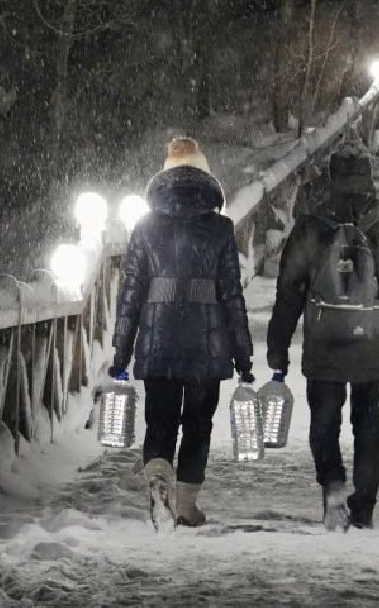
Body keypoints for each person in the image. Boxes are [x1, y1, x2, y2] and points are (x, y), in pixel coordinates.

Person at [266, 140, 379, 531]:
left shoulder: (312, 226)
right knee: (367, 422)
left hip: (324, 342)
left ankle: (333, 482)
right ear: (368, 178)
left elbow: (288, 291)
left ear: (332, 178)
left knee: (324, 420)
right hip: (370, 343)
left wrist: (278, 348)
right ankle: (365, 505)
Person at [111, 137, 253, 528]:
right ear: (205, 178)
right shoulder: (222, 229)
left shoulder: (144, 228)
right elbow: (231, 295)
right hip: (207, 345)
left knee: (159, 421)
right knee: (197, 424)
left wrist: (121, 352)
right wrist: (243, 354)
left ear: (164, 178)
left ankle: (159, 483)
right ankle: (187, 505)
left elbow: (130, 295)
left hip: (157, 343)